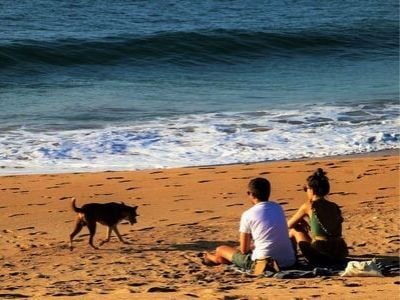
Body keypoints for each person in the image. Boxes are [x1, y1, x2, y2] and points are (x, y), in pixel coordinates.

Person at [203, 177, 296, 272]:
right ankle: (217, 259)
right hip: (289, 261)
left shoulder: (248, 214)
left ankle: (212, 258)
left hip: (264, 263)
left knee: (221, 249)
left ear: (250, 194)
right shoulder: (278, 208)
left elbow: (244, 250)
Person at [287, 168, 348, 265]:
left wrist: (300, 220)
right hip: (340, 252)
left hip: (321, 254)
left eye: (306, 189)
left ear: (312, 190)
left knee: (295, 230)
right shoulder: (334, 206)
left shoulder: (309, 206)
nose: (306, 191)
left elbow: (288, 225)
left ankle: (293, 260)